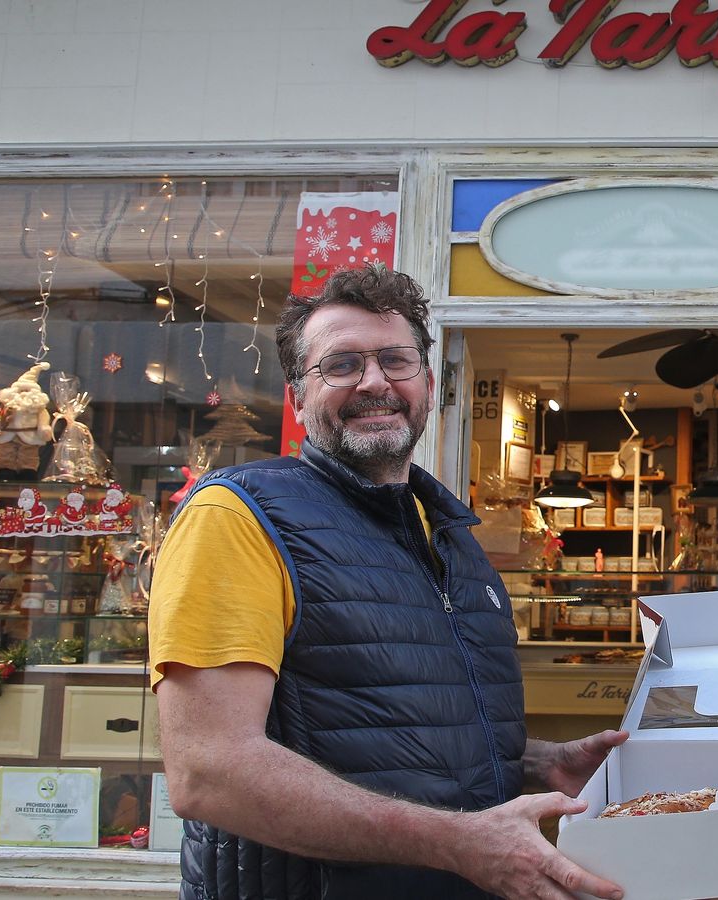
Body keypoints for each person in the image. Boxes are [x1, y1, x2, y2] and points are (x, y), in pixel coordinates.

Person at [150, 264, 626, 900]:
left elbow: (380, 725)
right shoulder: (236, 517)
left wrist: (535, 763)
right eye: (341, 364)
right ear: (297, 396)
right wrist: (461, 844)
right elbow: (211, 771)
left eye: (395, 360)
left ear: (428, 384)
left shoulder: (449, 534)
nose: (374, 381)